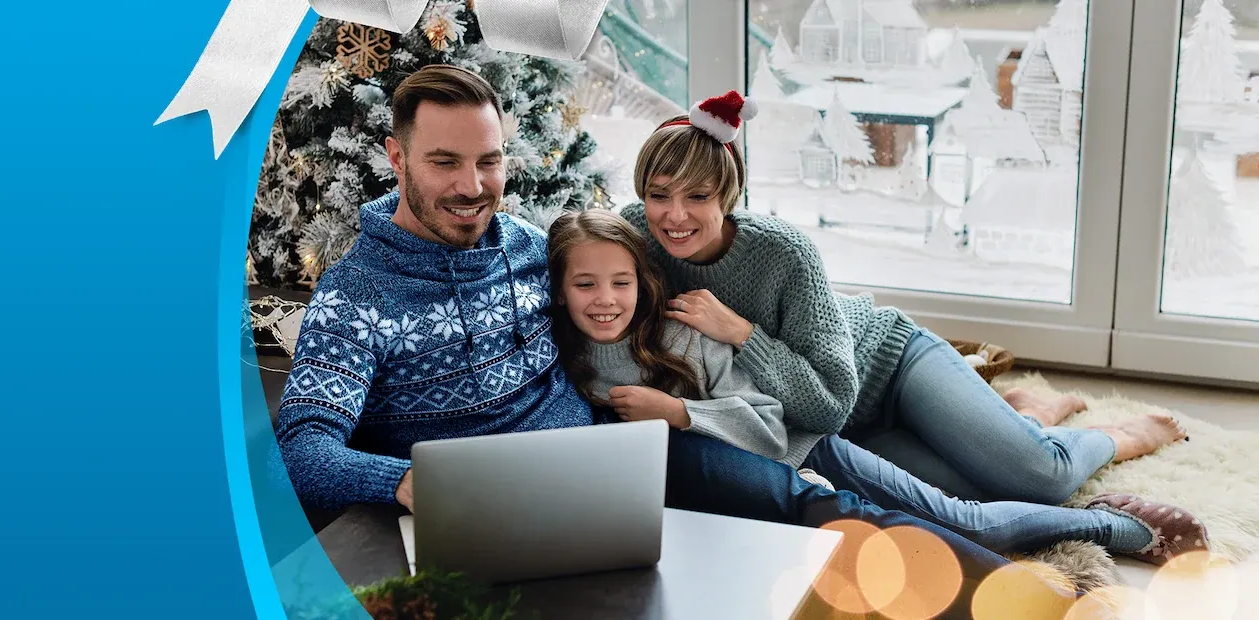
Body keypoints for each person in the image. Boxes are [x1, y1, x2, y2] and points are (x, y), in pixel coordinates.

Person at [272, 64, 1109, 618]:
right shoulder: (358, 297)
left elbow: (633, 249)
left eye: (488, 162)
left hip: (618, 453)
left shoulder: (536, 247)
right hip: (463, 509)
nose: (472, 186)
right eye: (446, 162)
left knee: (819, 502)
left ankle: (1032, 602)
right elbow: (304, 450)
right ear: (395, 155)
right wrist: (418, 484)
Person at [616, 91, 1188, 507]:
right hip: (839, 433)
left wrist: (740, 333)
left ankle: (1120, 437)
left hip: (888, 367)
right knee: (981, 491)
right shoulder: (633, 237)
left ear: (729, 193)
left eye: (697, 196)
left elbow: (831, 400)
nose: (675, 215)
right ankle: (1025, 414)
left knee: (1041, 479)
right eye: (659, 195)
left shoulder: (785, 254)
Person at [545, 208, 1209, 565]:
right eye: (585, 285)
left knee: (1014, 491)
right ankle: (1027, 413)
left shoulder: (688, 330)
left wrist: (678, 411)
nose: (605, 298)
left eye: (619, 283)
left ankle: (1108, 516)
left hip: (829, 427)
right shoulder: (567, 349)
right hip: (829, 445)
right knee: (982, 491)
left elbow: (772, 421)